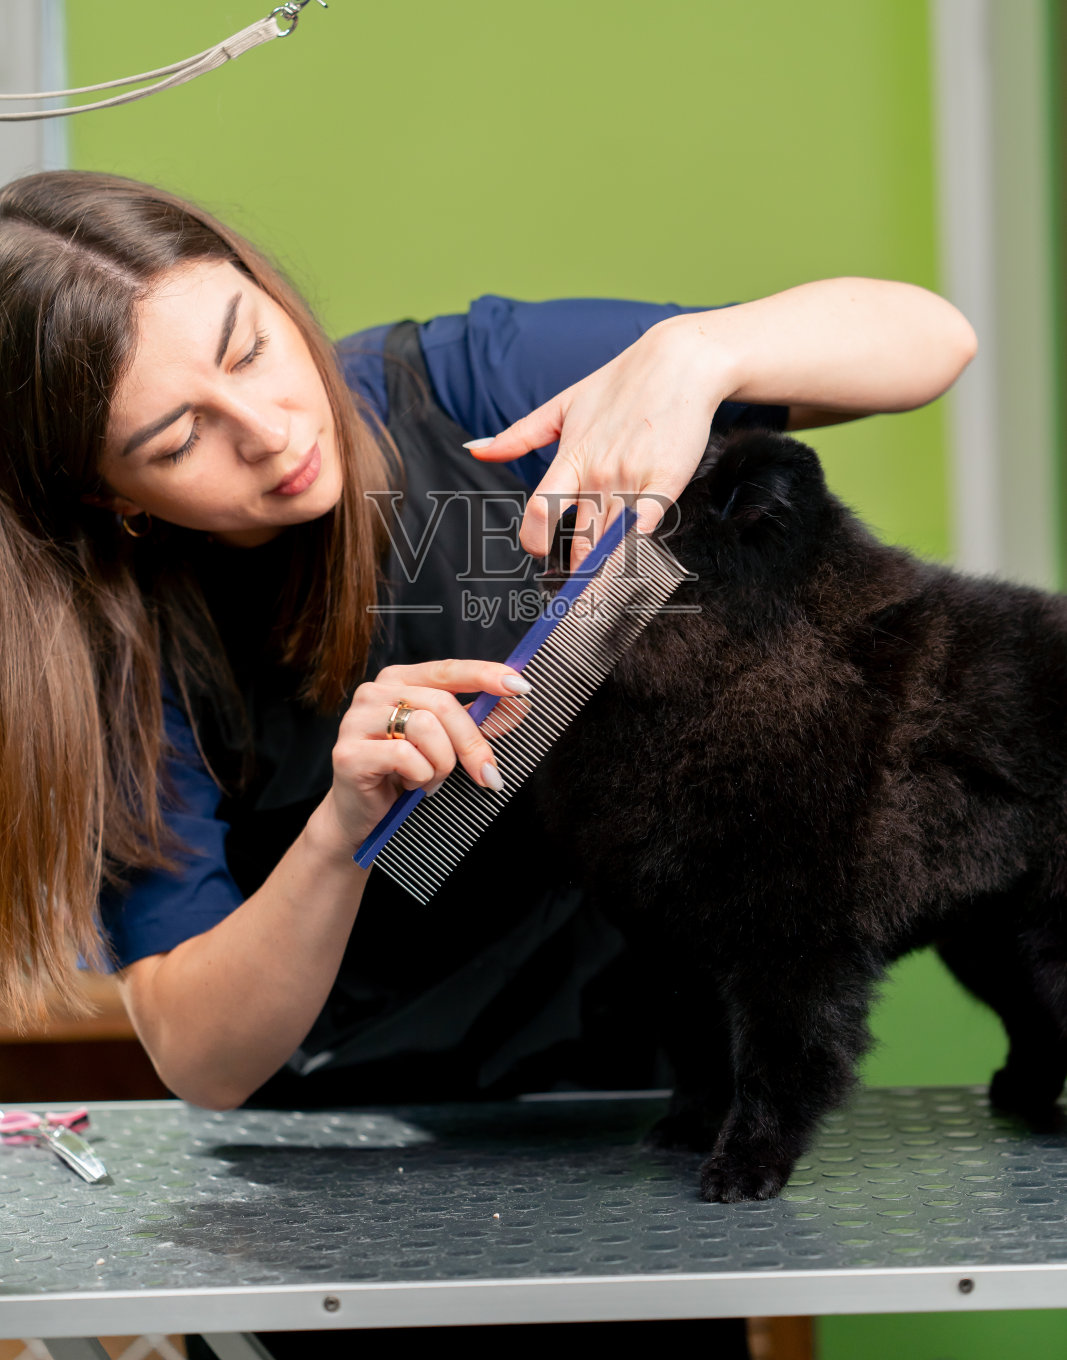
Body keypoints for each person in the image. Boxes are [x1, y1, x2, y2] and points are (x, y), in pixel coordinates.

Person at [0, 170, 975, 1355]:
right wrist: (337, 836)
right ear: (112, 496)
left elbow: (931, 339)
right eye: (175, 436)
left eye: (248, 346)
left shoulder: (472, 385)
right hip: (348, 1176)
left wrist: (697, 354)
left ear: (265, 287)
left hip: (632, 1110)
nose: (268, 431)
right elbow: (201, 1054)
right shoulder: (124, 652)